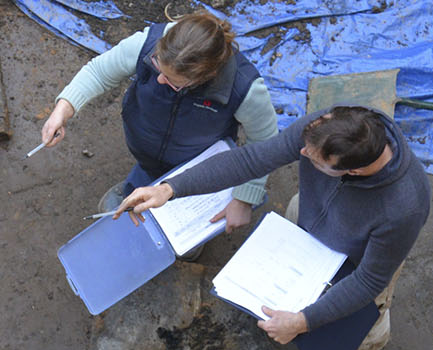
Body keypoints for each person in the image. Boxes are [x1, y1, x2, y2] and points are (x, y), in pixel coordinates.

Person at [115, 105, 430, 350]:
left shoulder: (404, 207)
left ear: (355, 172)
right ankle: (292, 303)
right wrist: (169, 189)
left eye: (315, 160)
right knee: (297, 288)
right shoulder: (329, 126)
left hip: (362, 257)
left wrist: (303, 322)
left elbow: (368, 281)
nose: (302, 154)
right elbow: (251, 160)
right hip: (309, 219)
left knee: (363, 317)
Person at [40, 12, 277, 236]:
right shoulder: (150, 43)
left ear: (205, 76)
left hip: (196, 165)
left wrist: (245, 197)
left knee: (186, 207)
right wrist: (63, 109)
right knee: (146, 174)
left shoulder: (244, 88)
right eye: (157, 67)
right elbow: (99, 72)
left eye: (173, 82)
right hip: (146, 147)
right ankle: (137, 186)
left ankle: (183, 233)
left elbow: (266, 142)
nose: (160, 79)